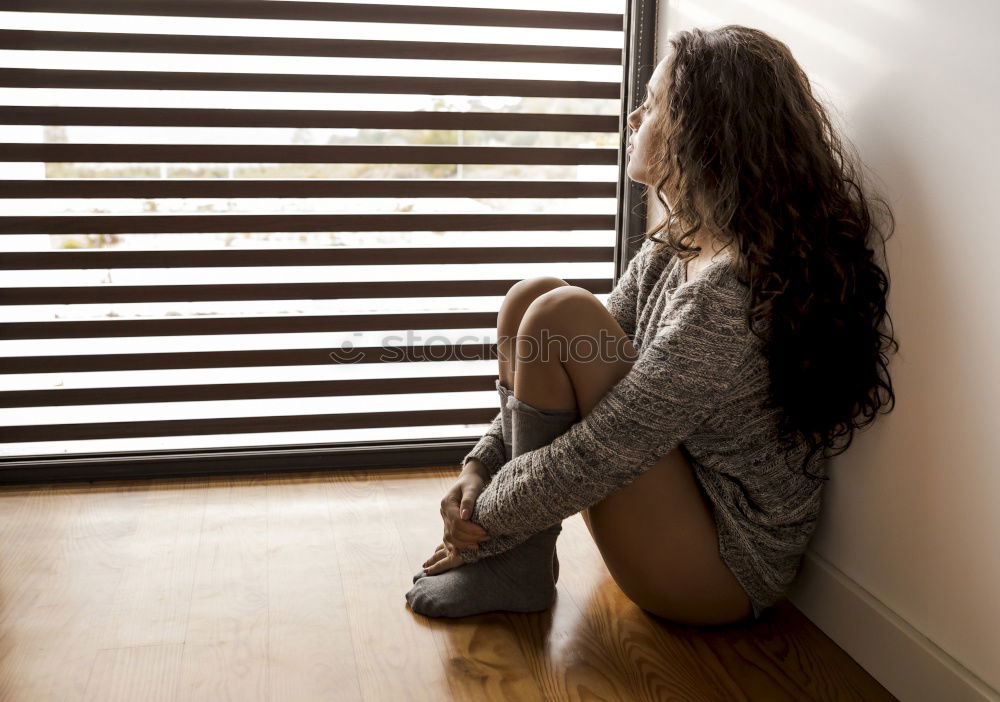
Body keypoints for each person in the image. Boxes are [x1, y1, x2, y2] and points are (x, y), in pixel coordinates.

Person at [405, 25, 898, 625]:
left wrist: (482, 522)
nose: (635, 115)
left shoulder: (728, 294)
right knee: (533, 298)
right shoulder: (676, 247)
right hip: (666, 492)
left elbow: (603, 451)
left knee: (560, 313)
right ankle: (519, 561)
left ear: (702, 132)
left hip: (721, 567)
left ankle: (512, 560)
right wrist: (478, 466)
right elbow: (567, 388)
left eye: (655, 103)